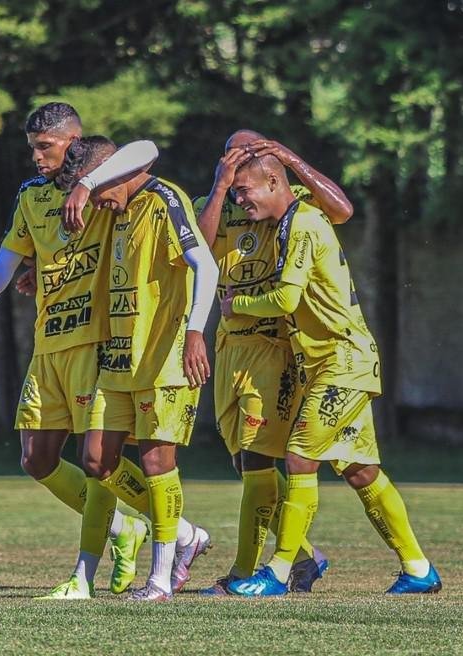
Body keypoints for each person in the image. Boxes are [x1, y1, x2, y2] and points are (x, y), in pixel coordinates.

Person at [0, 103, 157, 599]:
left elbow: (147, 150)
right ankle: (128, 529)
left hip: (96, 342)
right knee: (36, 461)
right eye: (32, 148)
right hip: (49, 344)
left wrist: (85, 183)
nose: (37, 158)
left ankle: (175, 532)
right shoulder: (32, 196)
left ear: (73, 140)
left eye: (46, 147)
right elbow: (3, 262)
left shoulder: (106, 181)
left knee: (100, 459)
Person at [221, 153, 442, 596]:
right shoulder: (289, 222)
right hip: (329, 362)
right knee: (361, 470)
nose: (238, 199)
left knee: (300, 457)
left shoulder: (302, 222)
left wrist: (236, 306)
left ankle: (279, 573)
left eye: (243, 190)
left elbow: (285, 298)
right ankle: (419, 570)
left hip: (343, 360)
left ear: (271, 182)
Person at [193, 130, 354, 595]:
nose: (243, 196)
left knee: (259, 460)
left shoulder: (290, 198)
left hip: (274, 344)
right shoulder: (223, 201)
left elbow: (341, 210)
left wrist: (291, 157)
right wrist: (222, 188)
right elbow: (198, 256)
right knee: (244, 461)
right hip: (229, 344)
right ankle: (303, 555)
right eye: (230, 159)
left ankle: (250, 572)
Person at [68, 136, 219, 601]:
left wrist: (196, 332)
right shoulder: (119, 209)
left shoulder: (162, 198)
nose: (98, 203)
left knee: (157, 461)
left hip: (164, 355)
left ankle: (159, 580)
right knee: (96, 460)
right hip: (118, 358)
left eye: (98, 192)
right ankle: (188, 535)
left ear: (111, 172)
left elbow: (206, 267)